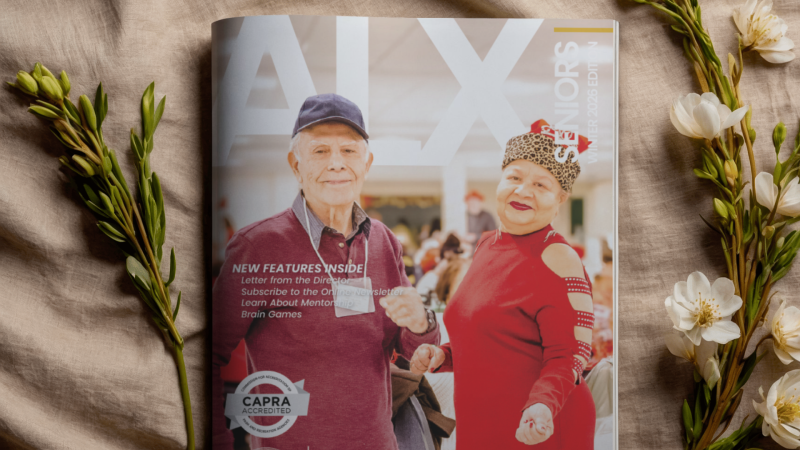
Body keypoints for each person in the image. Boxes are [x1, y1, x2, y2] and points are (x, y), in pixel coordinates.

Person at [212, 93, 440, 449]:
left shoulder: (383, 241)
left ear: (367, 164)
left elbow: (405, 346)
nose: (337, 163)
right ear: (295, 164)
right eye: (320, 151)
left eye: (349, 151)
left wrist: (423, 323)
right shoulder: (258, 246)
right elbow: (208, 354)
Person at [410, 129, 596, 449]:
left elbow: (571, 354)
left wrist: (543, 405)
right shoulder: (487, 244)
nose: (523, 191)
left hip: (539, 423)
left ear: (560, 199)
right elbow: (490, 334)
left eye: (541, 184)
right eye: (514, 177)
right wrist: (444, 355)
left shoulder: (559, 255)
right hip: (481, 420)